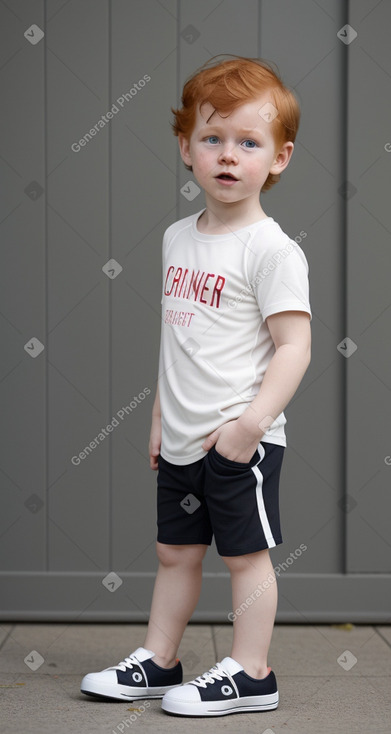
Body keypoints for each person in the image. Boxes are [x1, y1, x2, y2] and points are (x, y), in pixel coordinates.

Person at [81, 55, 312, 717]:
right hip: (182, 435)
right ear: (185, 148)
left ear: (278, 157)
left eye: (248, 142)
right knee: (173, 551)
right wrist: (158, 415)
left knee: (245, 558)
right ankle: (159, 659)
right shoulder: (177, 238)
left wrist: (249, 427)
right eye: (212, 139)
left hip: (242, 440)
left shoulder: (270, 250)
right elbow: (178, 342)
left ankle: (250, 669)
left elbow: (293, 349)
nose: (228, 156)